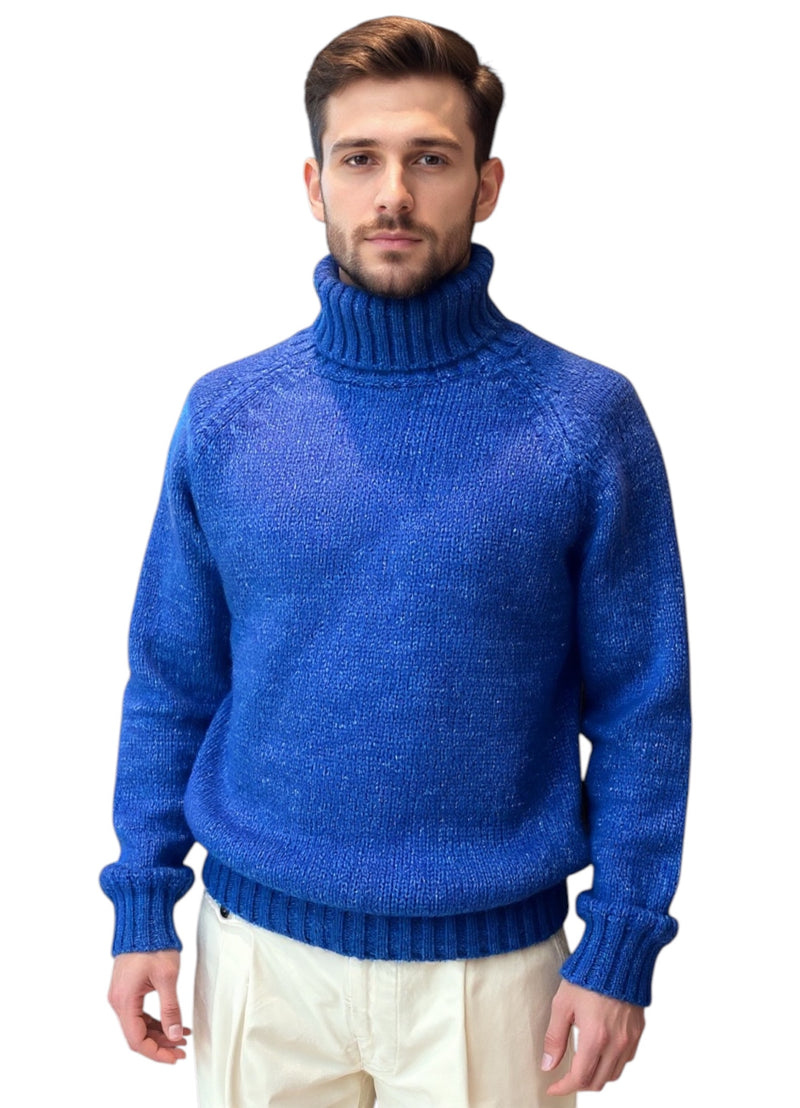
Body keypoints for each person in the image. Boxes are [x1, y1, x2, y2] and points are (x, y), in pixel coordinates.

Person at [101, 15, 690, 1106]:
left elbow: (643, 705)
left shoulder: (583, 421)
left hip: (494, 976)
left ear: (487, 183)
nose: (392, 195)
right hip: (256, 957)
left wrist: (620, 940)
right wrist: (143, 902)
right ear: (313, 183)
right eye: (360, 159)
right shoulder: (227, 415)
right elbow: (173, 676)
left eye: (430, 158)